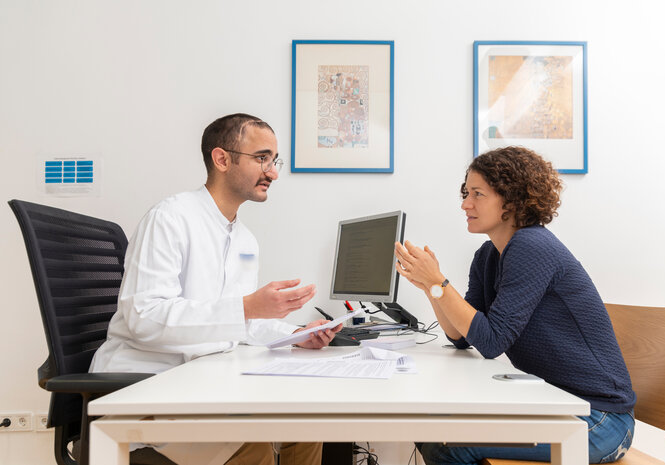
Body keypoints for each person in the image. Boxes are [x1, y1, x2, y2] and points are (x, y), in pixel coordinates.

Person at [90, 113, 340, 465]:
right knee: (252, 447)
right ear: (222, 159)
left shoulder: (244, 238)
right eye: (262, 158)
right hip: (148, 383)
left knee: (307, 426)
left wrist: (296, 334)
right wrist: (247, 308)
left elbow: (240, 326)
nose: (273, 172)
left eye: (274, 160)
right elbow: (143, 318)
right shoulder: (170, 219)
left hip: (203, 380)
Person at [394, 146, 636, 464]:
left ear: (511, 200)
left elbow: (492, 341)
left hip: (599, 420)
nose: (465, 204)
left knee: (448, 447)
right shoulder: (488, 255)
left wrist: (439, 283)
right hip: (556, 406)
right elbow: (462, 336)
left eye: (477, 194)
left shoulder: (532, 246)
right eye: (466, 193)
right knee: (430, 428)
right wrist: (430, 286)